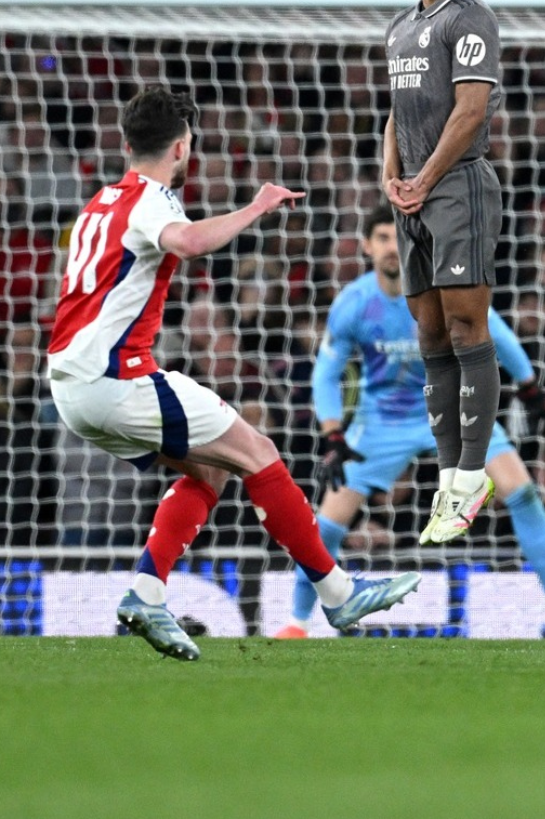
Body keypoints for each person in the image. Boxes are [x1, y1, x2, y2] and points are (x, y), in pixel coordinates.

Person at [47, 87, 419, 661]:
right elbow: (189, 241)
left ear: (127, 144)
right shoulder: (152, 199)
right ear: (181, 148)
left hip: (70, 387)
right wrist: (257, 206)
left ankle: (147, 593)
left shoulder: (101, 202)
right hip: (116, 378)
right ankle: (339, 593)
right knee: (258, 453)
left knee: (212, 471)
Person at [272, 205, 545, 640]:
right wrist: (333, 433)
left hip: (451, 408)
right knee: (327, 523)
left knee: (521, 490)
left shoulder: (440, 289)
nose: (391, 247)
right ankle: (298, 623)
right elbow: (325, 374)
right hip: (383, 422)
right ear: (366, 247)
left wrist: (529, 386)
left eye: (397, 237)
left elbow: (495, 331)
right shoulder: (353, 304)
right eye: (381, 238)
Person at [381, 0, 506, 545]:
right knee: (429, 332)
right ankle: (448, 478)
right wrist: (390, 175)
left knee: (464, 326)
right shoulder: (399, 29)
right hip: (412, 195)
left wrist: (424, 178)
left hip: (458, 186)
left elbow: (470, 110)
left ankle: (472, 478)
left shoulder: (470, 18)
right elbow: (398, 113)